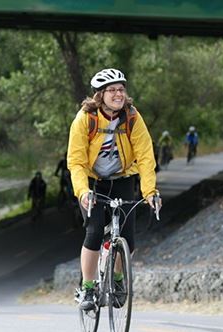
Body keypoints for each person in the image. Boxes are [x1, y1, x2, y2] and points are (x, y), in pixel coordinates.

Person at [67, 68, 159, 310]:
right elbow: (75, 161)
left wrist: (150, 192)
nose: (118, 94)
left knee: (128, 239)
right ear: (100, 95)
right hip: (92, 182)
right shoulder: (85, 119)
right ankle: (87, 289)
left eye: (121, 89)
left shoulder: (132, 117)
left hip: (121, 179)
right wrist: (83, 191)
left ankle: (117, 279)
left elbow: (146, 156)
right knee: (95, 232)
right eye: (112, 90)